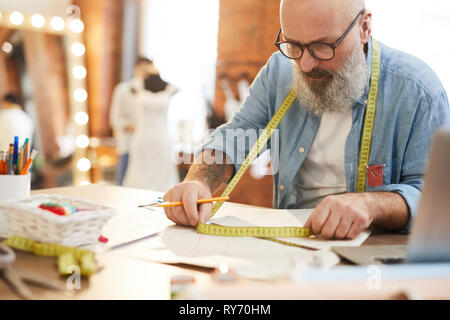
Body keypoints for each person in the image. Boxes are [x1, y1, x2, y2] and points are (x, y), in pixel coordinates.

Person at [162, 0, 450, 239]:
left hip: (375, 254)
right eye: (294, 45)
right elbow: (236, 135)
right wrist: (198, 180)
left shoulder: (417, 90)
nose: (306, 63)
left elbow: (436, 199)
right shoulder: (280, 72)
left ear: (364, 27)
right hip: (293, 247)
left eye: (323, 46)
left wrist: (371, 204)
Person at [122, 61, 178, 191]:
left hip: (161, 140)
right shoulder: (135, 87)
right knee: (138, 175)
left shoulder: (171, 88)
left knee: (162, 176)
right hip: (142, 139)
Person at [110, 57, 154, 185]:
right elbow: (115, 118)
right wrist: (134, 128)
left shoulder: (151, 93)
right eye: (143, 69)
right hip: (128, 145)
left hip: (147, 147)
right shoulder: (123, 90)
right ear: (136, 69)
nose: (146, 73)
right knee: (124, 182)